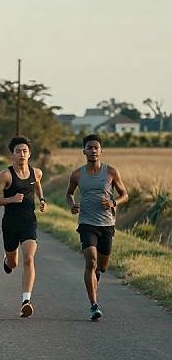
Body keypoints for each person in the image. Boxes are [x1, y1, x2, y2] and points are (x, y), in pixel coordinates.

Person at [66, 134, 128, 320]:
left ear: (101, 150)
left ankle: (96, 276)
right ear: (84, 151)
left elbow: (125, 194)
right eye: (89, 147)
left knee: (102, 266)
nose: (93, 150)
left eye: (96, 147)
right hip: (86, 223)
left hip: (107, 224)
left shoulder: (111, 172)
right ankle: (94, 305)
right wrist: (72, 205)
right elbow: (69, 194)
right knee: (90, 262)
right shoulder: (77, 174)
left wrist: (114, 203)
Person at [0, 136, 45, 318]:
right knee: (13, 263)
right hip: (10, 224)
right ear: (12, 155)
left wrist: (42, 199)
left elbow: (37, 185)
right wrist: (11, 199)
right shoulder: (5, 175)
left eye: (24, 151)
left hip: (29, 223)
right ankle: (7, 260)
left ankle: (26, 301)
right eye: (17, 151)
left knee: (29, 259)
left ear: (29, 154)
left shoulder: (36, 172)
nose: (21, 154)